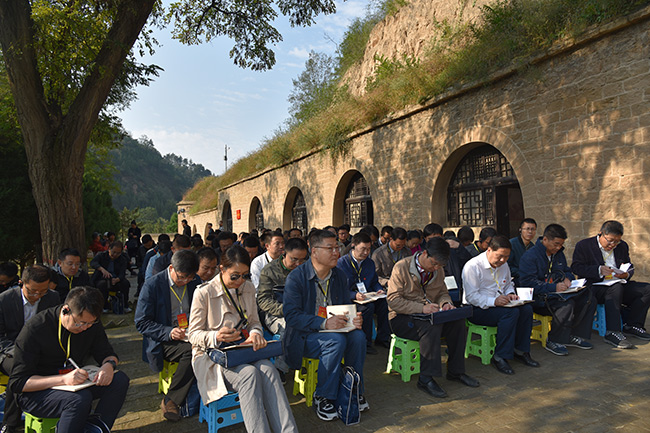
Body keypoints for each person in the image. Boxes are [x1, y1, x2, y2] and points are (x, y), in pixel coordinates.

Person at [188, 245, 298, 432]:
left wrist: (255, 333)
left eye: (245, 275)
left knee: (269, 369)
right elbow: (193, 335)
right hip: (213, 357)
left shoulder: (247, 288)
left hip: (243, 350)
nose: (240, 281)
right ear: (222, 269)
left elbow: (255, 322)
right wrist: (216, 335)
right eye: (235, 276)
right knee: (249, 375)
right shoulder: (204, 293)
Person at [9, 287, 129, 433]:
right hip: (37, 392)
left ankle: (95, 428)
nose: (84, 328)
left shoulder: (91, 324)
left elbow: (107, 353)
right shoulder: (35, 328)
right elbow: (18, 383)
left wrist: (109, 366)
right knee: (79, 400)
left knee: (119, 380)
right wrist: (63, 379)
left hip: (74, 384)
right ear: (66, 310)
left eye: (90, 323)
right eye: (80, 323)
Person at [284, 229, 368, 421]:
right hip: (304, 336)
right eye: (329, 248)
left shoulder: (339, 275)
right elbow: (292, 316)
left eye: (337, 247)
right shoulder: (296, 278)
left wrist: (353, 319)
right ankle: (323, 396)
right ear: (314, 251)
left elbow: (342, 307)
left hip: (333, 330)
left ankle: (354, 389)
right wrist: (323, 323)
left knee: (358, 336)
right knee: (335, 341)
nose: (336, 252)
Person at [387, 237, 479, 399]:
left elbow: (443, 292)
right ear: (424, 253)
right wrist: (422, 308)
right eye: (434, 264)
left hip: (430, 315)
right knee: (431, 327)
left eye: (440, 266)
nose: (436, 268)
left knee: (458, 322)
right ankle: (426, 378)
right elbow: (394, 301)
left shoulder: (438, 270)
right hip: (401, 318)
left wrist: (445, 304)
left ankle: (456, 371)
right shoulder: (401, 267)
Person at [135, 250, 200, 421]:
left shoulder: (195, 282)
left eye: (189, 278)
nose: (185, 281)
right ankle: (171, 399)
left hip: (191, 332)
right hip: (164, 339)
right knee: (193, 351)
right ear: (171, 268)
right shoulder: (152, 285)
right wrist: (169, 332)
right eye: (181, 277)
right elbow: (141, 322)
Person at [462, 235, 539, 375]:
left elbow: (508, 283)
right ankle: (500, 356)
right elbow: (471, 297)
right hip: (477, 309)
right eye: (500, 256)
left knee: (526, 309)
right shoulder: (472, 266)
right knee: (511, 313)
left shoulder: (504, 265)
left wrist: (510, 293)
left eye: (507, 257)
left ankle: (520, 350)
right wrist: (494, 301)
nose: (503, 260)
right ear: (489, 250)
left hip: (501, 304)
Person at [519, 224, 597, 356]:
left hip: (560, 294)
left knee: (589, 298)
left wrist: (568, 278)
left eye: (561, 244)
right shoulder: (530, 256)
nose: (558, 247)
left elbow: (566, 270)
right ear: (545, 240)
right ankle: (554, 340)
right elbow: (527, 283)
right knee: (567, 304)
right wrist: (553, 287)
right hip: (539, 299)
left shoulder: (558, 254)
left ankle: (573, 335)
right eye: (556, 244)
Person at [0, 265, 60, 433]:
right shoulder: (5, 300)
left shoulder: (52, 298)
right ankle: (10, 423)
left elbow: (54, 330)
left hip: (40, 351)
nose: (37, 296)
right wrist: (19, 352)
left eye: (42, 291)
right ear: (21, 283)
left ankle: (47, 411)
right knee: (19, 371)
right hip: (9, 352)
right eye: (32, 291)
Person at [571, 220, 650, 348]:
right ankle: (612, 332)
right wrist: (598, 270)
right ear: (601, 234)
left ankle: (633, 325)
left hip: (618, 283)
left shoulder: (622, 246)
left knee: (647, 289)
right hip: (596, 287)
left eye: (616, 241)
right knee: (615, 288)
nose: (613, 244)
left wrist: (626, 274)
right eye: (610, 240)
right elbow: (576, 267)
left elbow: (628, 266)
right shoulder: (584, 245)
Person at [257, 238, 309, 378]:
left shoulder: (306, 269)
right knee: (289, 328)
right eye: (294, 259)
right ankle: (281, 369)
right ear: (284, 253)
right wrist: (286, 310)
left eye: (302, 260)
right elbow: (263, 300)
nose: (298, 264)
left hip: (301, 311)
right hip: (276, 314)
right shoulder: (270, 271)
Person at [336, 232, 390, 355]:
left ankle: (382, 337)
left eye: (368, 249)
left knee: (384, 303)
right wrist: (353, 295)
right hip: (349, 298)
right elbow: (339, 288)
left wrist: (378, 290)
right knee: (367, 308)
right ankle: (365, 342)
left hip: (366, 296)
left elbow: (375, 281)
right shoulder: (342, 263)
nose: (366, 252)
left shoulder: (369, 263)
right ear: (353, 246)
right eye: (363, 249)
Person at [90, 241, 131, 313]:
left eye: (118, 253)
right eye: (113, 252)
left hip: (116, 279)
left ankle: (125, 305)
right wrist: (101, 269)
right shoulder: (101, 255)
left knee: (126, 283)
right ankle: (104, 306)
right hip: (102, 278)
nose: (115, 255)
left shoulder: (122, 259)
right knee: (102, 285)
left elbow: (122, 273)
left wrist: (117, 279)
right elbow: (93, 263)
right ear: (109, 249)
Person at [508, 218, 538, 286]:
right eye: (527, 229)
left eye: (532, 229)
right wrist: (522, 272)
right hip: (515, 280)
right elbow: (507, 266)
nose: (530, 232)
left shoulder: (533, 247)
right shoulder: (512, 244)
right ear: (520, 230)